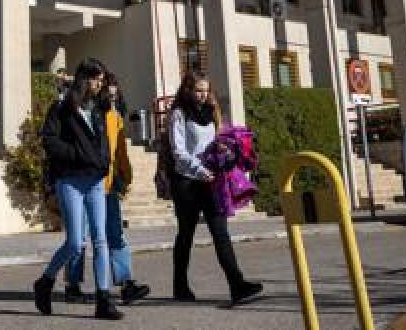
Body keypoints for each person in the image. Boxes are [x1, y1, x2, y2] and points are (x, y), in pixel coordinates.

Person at [32, 58, 123, 321]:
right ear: (85, 79)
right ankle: (45, 282)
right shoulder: (61, 107)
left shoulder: (97, 107)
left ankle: (104, 300)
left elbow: (104, 139)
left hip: (95, 180)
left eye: (102, 80)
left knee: (101, 239)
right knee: (74, 243)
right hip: (70, 180)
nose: (100, 84)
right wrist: (76, 154)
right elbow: (48, 139)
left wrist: (103, 162)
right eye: (96, 79)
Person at [169, 74, 263, 306]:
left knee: (221, 233)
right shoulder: (179, 113)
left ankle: (237, 285)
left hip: (213, 181)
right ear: (188, 89)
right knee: (186, 235)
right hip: (187, 181)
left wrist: (223, 148)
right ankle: (180, 286)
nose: (203, 95)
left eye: (206, 90)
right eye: (198, 90)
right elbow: (178, 152)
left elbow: (216, 141)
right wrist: (198, 169)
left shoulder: (211, 112)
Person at [65, 71, 150, 307]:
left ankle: (126, 284)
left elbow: (120, 152)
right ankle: (72, 285)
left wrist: (126, 176)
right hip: (84, 185)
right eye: (108, 94)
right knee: (79, 238)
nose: (112, 99)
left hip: (109, 186)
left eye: (115, 96)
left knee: (116, 235)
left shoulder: (115, 118)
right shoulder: (88, 114)